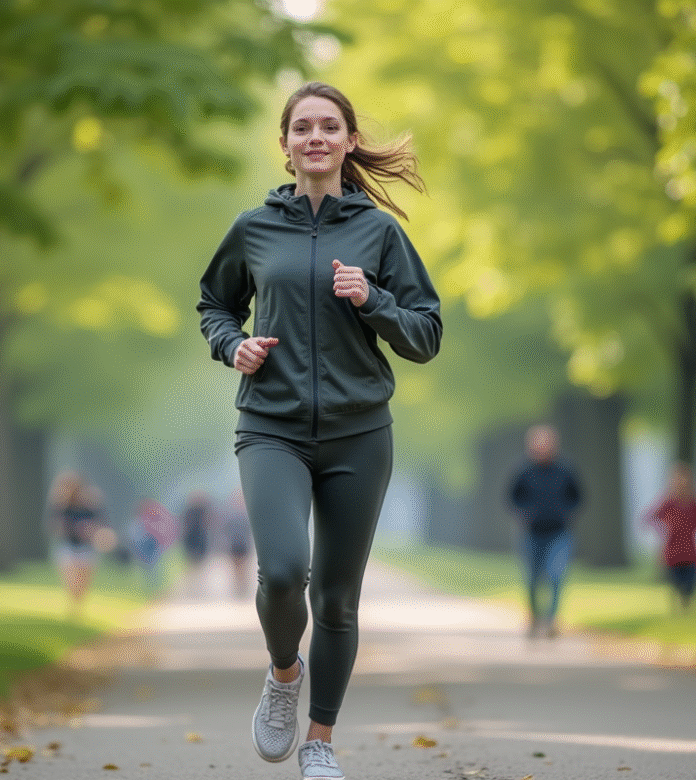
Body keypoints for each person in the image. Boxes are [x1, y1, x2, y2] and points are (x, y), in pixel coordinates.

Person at [197, 81, 441, 780]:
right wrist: (230, 345)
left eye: (329, 126)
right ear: (284, 145)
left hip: (359, 434)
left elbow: (425, 335)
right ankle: (282, 675)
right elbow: (215, 303)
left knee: (336, 597)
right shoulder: (254, 229)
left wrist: (375, 299)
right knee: (281, 573)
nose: (315, 137)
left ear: (349, 140)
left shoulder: (380, 233)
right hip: (270, 426)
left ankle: (321, 740)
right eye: (302, 127)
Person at [506, 424, 582, 639]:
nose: (543, 447)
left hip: (559, 533)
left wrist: (567, 514)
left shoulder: (566, 469)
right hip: (530, 533)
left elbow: (577, 497)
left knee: (556, 575)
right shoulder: (522, 470)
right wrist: (523, 514)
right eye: (538, 443)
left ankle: (551, 620)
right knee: (531, 578)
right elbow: (512, 498)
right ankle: (534, 617)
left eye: (547, 442)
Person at [646, 462, 696, 613]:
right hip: (673, 550)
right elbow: (650, 517)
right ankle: (678, 607)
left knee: (690, 582)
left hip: (690, 549)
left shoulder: (694, 502)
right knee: (676, 581)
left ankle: (688, 605)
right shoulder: (668, 502)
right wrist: (663, 530)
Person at [48, 470, 106, 616]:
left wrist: (89, 530)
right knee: (72, 581)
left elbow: (99, 524)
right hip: (68, 547)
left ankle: (78, 608)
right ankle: (73, 609)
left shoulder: (90, 504)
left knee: (83, 583)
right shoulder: (61, 505)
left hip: (86, 548)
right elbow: (54, 526)